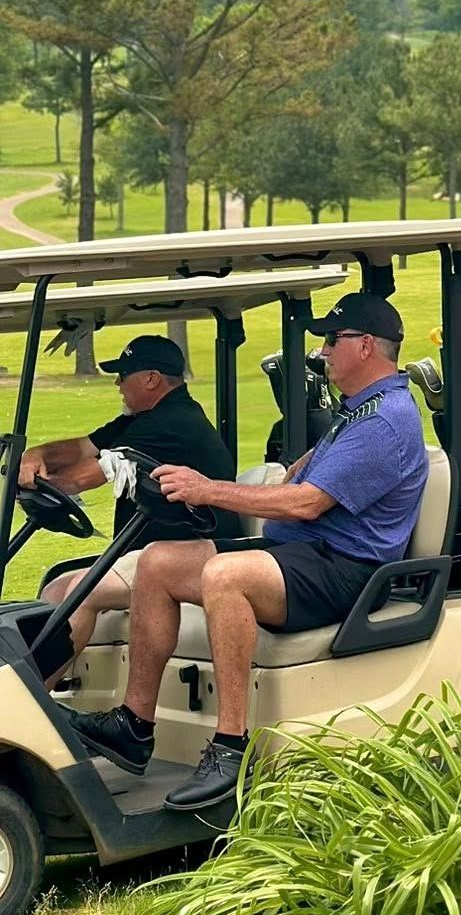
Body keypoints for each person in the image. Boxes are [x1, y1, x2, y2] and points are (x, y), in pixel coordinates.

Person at [68, 292, 427, 812]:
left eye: (332, 340)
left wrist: (206, 488)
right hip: (306, 556)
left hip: (345, 570)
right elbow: (307, 475)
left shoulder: (385, 419)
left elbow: (305, 504)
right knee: (160, 560)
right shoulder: (361, 411)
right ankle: (135, 723)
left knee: (225, 575)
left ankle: (231, 745)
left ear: (366, 346)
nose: (323, 351)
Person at [19, 335, 238, 680]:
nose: (118, 384)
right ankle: (44, 692)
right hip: (154, 552)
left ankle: (28, 697)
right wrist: (35, 456)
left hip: (192, 555)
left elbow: (80, 478)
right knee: (56, 587)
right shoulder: (142, 418)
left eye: (124, 375)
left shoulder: (170, 422)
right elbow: (82, 448)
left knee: (79, 591)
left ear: (151, 378)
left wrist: (36, 484)